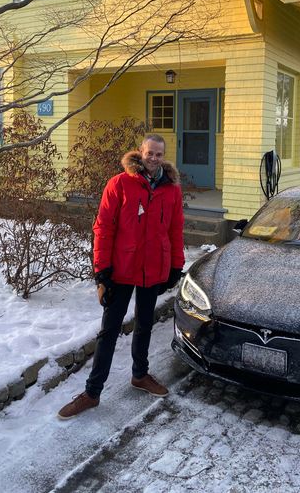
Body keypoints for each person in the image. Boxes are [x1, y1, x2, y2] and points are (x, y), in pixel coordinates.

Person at [58, 134, 185, 419]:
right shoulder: (119, 184)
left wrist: (176, 265)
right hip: (122, 269)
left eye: (158, 154)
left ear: (163, 157)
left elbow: (175, 229)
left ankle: (140, 375)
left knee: (144, 325)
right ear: (140, 153)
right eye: (149, 153)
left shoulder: (171, 190)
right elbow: (103, 228)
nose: (153, 158)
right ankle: (92, 393)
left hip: (154, 267)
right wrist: (102, 272)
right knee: (109, 331)